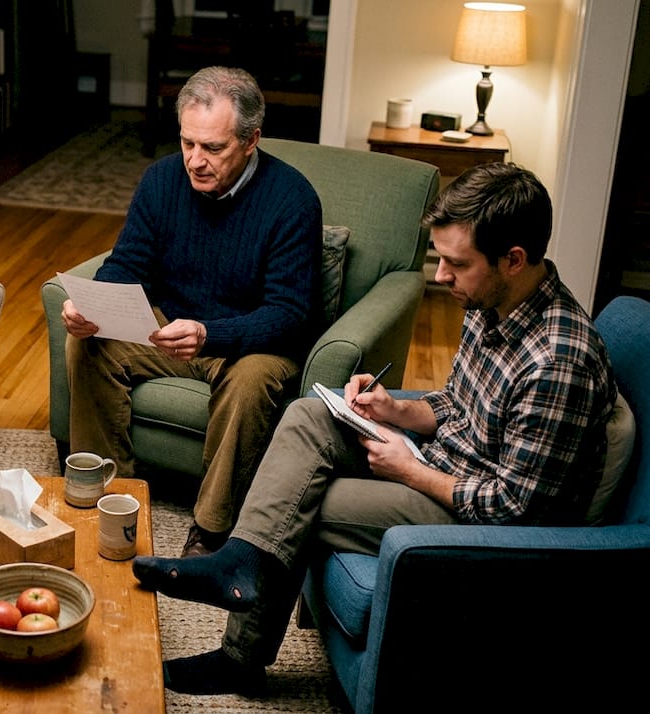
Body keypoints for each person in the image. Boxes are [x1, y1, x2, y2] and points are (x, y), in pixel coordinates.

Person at [130, 162, 619, 696]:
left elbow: (516, 509)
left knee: (303, 500)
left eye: (456, 263)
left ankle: (239, 654)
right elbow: (457, 405)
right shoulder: (494, 300)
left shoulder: (556, 360)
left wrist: (410, 472)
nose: (440, 277)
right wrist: (394, 410)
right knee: (309, 415)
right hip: (442, 462)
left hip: (479, 518)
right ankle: (241, 563)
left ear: (514, 260)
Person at [61, 66, 322, 557]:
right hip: (172, 325)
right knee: (87, 342)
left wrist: (210, 333)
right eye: (187, 143)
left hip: (253, 340)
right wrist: (90, 307)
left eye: (213, 148)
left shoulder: (293, 200)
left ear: (251, 141)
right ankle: (109, 493)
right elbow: (127, 264)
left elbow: (290, 313)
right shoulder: (162, 179)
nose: (195, 161)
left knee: (250, 384)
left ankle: (211, 530)